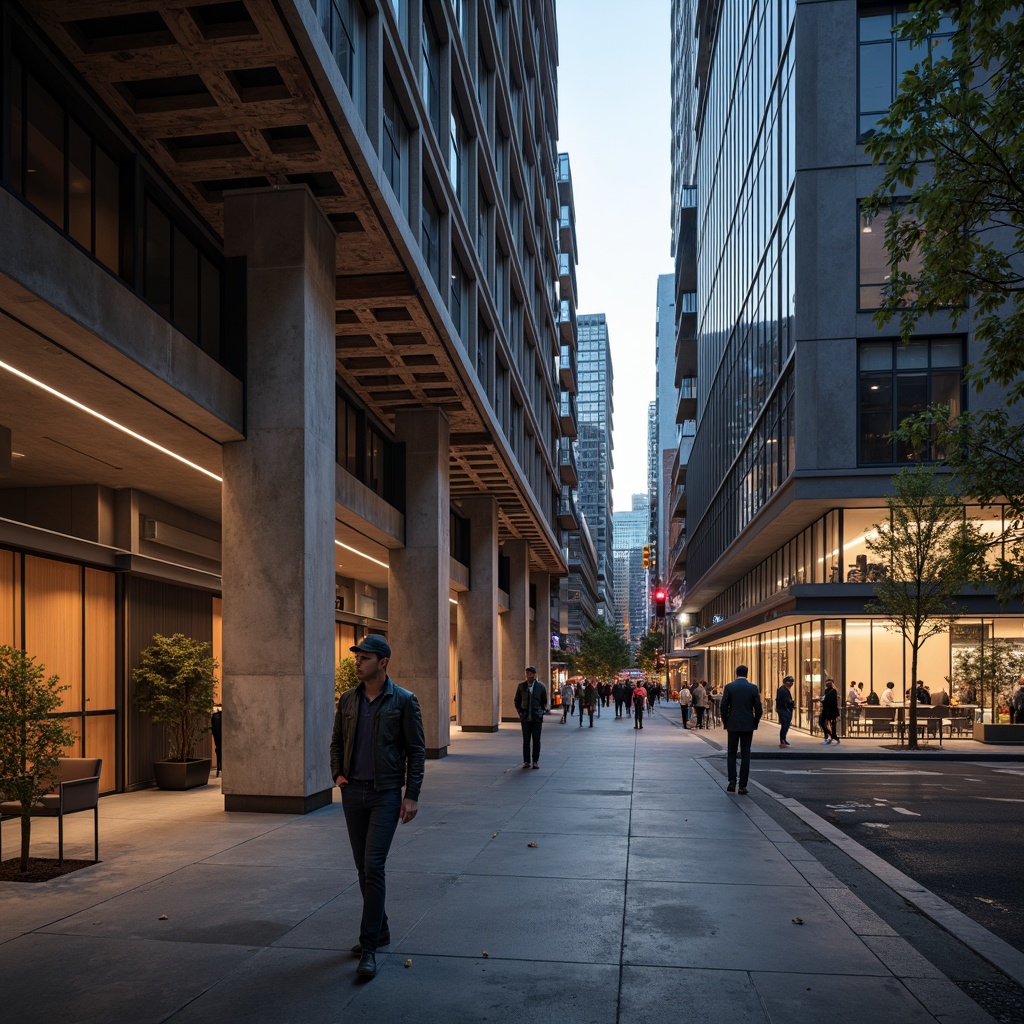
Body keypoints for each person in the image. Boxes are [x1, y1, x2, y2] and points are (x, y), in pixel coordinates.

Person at [330, 634, 424, 979]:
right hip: (353, 793)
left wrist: (411, 794)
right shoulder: (349, 700)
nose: (357, 662)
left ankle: (369, 946)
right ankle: (380, 929)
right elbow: (337, 741)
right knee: (361, 867)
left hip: (385, 793)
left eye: (364, 658)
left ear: (382, 662)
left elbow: (416, 750)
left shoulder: (403, 701)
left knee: (373, 865)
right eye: (357, 657)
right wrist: (338, 776)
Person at [720, 665, 763, 794]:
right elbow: (759, 708)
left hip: (733, 723)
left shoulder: (729, 687)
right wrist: (755, 722)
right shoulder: (753, 688)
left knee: (731, 753)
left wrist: (726, 721)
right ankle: (743, 785)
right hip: (748, 724)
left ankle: (732, 781)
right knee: (745, 754)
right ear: (747, 674)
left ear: (736, 673)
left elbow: (723, 707)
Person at [514, 666, 548, 767]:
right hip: (525, 718)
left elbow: (544, 701)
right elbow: (517, 700)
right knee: (526, 740)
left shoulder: (540, 687)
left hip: (537, 717)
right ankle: (526, 761)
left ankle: (535, 761)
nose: (528, 676)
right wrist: (520, 712)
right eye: (527, 674)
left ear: (534, 675)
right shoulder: (521, 686)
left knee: (536, 740)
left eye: (530, 674)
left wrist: (541, 712)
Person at [815, 678, 840, 745]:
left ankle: (831, 736)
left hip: (828, 711)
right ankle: (833, 737)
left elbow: (827, 701)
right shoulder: (833, 691)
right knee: (831, 724)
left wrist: (822, 700)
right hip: (832, 711)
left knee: (823, 723)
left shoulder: (829, 692)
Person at [776, 674, 795, 748]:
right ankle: (782, 740)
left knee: (786, 725)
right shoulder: (782, 689)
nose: (791, 684)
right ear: (786, 682)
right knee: (785, 725)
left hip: (785, 709)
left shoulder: (785, 689)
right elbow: (784, 700)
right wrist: (791, 702)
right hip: (783, 710)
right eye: (790, 682)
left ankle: (784, 739)